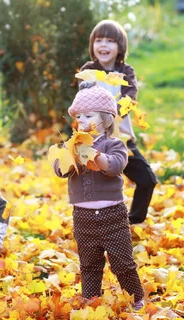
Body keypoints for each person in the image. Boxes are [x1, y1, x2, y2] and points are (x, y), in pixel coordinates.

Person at [52, 81, 145, 309]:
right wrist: (70, 155)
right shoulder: (72, 146)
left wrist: (95, 155)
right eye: (78, 116)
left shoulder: (115, 144)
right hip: (83, 218)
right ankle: (91, 299)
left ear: (105, 119)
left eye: (88, 115)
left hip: (113, 216)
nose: (81, 120)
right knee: (89, 264)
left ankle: (135, 297)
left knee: (123, 262)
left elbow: (114, 166)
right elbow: (60, 170)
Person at [79, 19, 158, 224]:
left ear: (120, 47)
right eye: (99, 40)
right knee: (96, 185)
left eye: (110, 41)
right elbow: (83, 99)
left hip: (121, 138)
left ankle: (134, 221)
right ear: (92, 45)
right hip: (95, 139)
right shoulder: (88, 70)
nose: (103, 45)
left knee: (147, 180)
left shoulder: (126, 72)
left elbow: (130, 97)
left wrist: (118, 107)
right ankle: (95, 223)